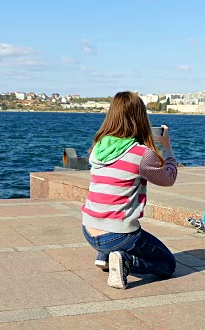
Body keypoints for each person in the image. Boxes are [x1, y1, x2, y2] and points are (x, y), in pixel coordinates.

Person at [81, 91, 178, 289]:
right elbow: (168, 179)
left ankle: (105, 256)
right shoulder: (142, 154)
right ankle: (125, 260)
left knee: (110, 211)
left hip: (89, 230)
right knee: (168, 264)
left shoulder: (98, 146)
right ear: (141, 118)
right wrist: (167, 148)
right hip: (117, 235)